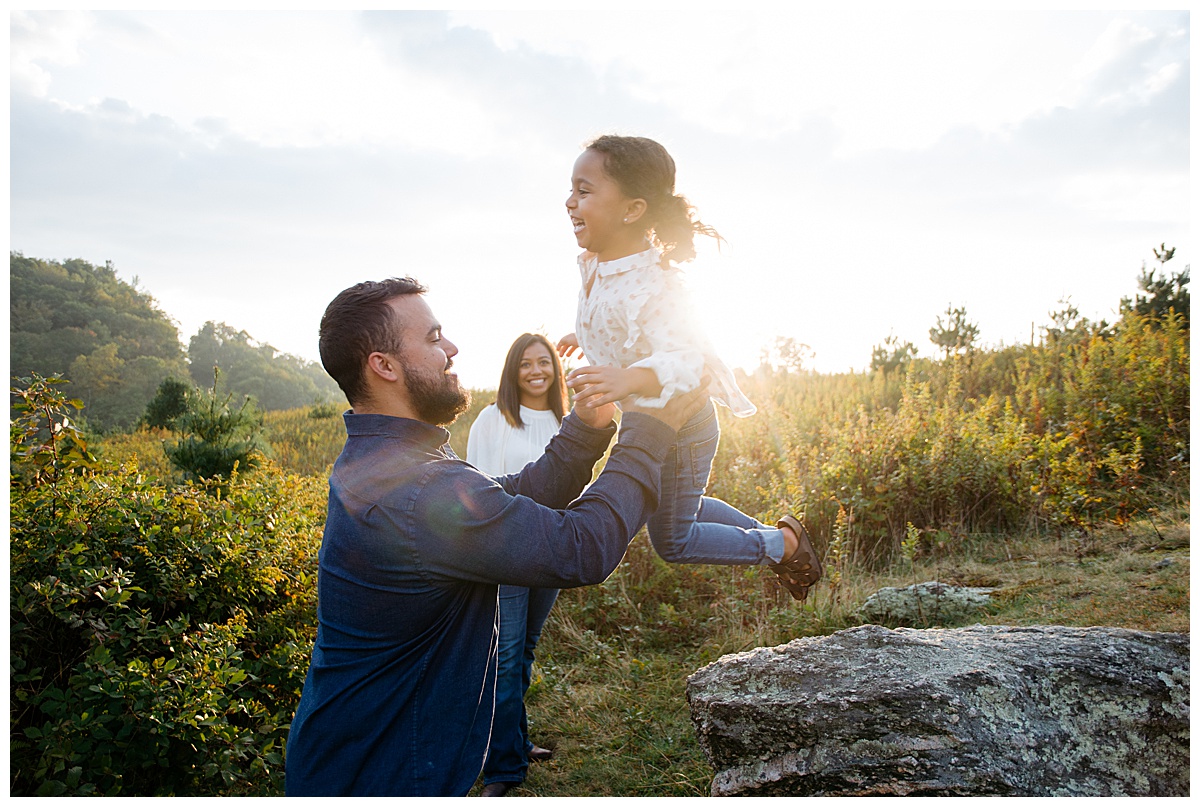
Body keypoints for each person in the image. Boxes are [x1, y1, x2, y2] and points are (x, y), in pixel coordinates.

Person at [284, 277, 710, 797]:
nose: (452, 348)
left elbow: (510, 494)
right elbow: (581, 548)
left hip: (361, 760)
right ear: (385, 366)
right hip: (380, 774)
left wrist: (588, 426)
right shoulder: (414, 490)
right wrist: (652, 427)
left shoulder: (391, 464)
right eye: (434, 337)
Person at [557, 134, 822, 601]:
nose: (569, 201)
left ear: (632, 210)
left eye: (584, 190)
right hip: (652, 417)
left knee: (674, 539)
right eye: (571, 189)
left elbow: (686, 359)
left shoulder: (655, 281)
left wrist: (628, 377)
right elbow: (628, 321)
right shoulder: (598, 263)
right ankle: (785, 540)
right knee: (681, 513)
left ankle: (781, 545)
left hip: (682, 420)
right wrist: (590, 336)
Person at [466, 333, 568, 796]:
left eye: (543, 362)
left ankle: (514, 740)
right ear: (513, 370)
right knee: (503, 659)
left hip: (550, 552)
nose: (535, 371)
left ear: (554, 368)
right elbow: (478, 486)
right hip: (506, 552)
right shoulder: (493, 419)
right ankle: (503, 767)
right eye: (525, 363)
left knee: (523, 650)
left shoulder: (567, 423)